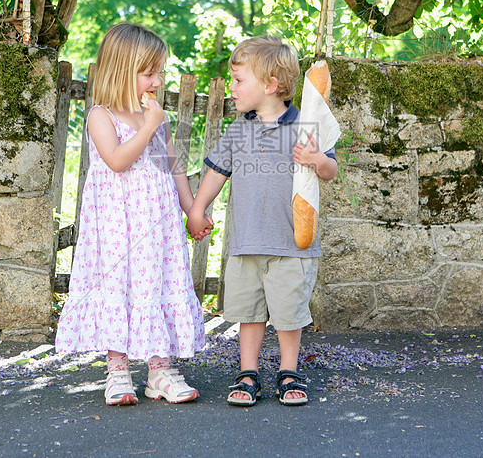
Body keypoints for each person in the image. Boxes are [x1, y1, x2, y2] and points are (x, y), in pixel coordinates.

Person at [56, 23, 207, 406]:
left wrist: (193, 211)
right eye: (149, 72)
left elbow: (174, 170)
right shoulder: (100, 116)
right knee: (118, 287)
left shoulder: (159, 120)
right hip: (116, 226)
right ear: (122, 71)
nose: (157, 81)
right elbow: (119, 161)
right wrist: (151, 124)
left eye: (159, 71)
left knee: (157, 283)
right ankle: (118, 371)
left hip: (157, 224)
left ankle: (160, 371)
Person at [187, 36, 338, 407]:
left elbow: (330, 171)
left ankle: (289, 371)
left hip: (291, 244)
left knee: (288, 315)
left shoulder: (307, 125)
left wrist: (316, 159)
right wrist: (197, 208)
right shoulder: (239, 130)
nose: (232, 89)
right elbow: (216, 173)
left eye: (239, 81)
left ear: (270, 85)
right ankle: (248, 372)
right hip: (246, 241)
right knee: (249, 314)